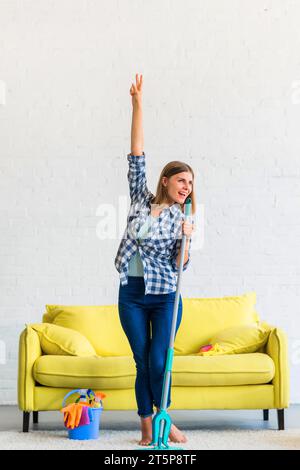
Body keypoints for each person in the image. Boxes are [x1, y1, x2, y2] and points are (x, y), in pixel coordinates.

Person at [114, 74, 196, 446]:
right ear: (165, 181)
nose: (186, 187)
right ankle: (147, 425)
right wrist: (137, 106)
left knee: (160, 362)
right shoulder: (139, 199)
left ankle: (165, 419)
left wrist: (187, 241)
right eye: (181, 180)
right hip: (132, 293)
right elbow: (137, 153)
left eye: (191, 184)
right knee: (141, 359)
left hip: (165, 296)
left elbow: (180, 266)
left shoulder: (184, 220)